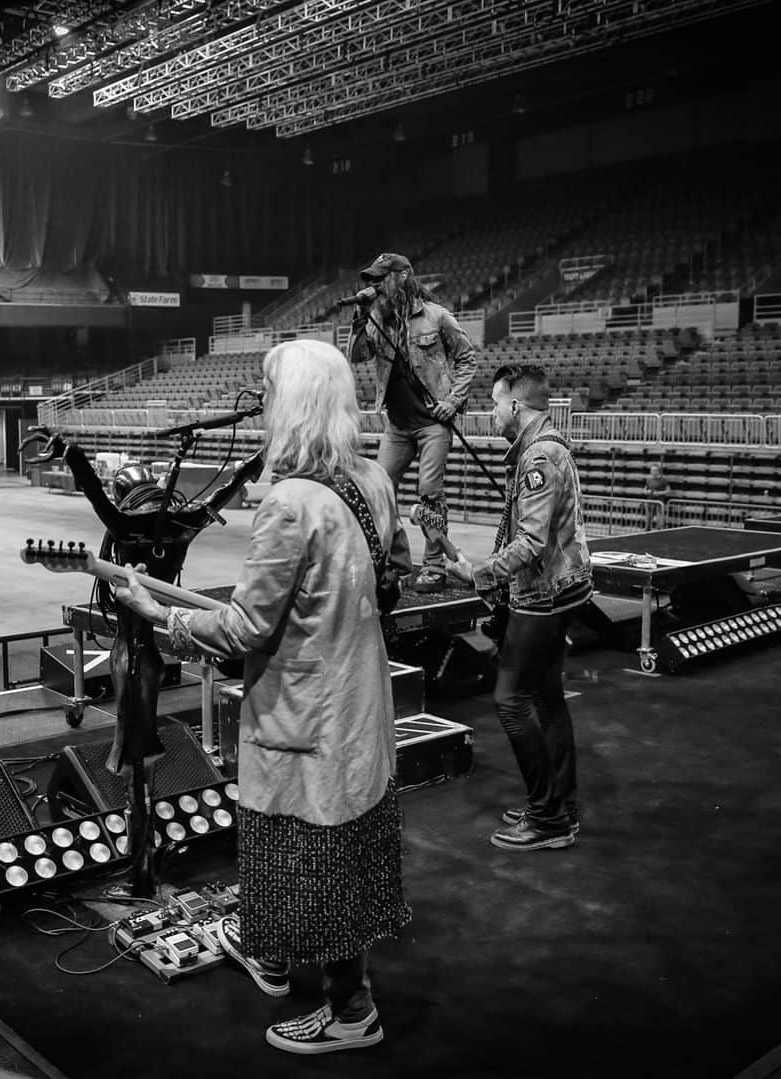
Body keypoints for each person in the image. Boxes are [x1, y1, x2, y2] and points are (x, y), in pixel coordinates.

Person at [114, 339, 413, 1055]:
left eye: (273, 391)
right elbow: (396, 568)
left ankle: (351, 1013)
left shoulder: (288, 503)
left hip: (305, 710)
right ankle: (274, 956)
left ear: (294, 404)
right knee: (338, 848)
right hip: (357, 701)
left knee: (308, 852)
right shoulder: (371, 480)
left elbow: (247, 626)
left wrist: (162, 618)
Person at [447, 364, 592, 852]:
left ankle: (547, 816)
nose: (491, 412)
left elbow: (529, 541)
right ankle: (560, 806)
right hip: (559, 591)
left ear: (514, 405)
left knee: (510, 700)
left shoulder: (539, 457)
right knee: (546, 698)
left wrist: (479, 574)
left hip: (543, 597)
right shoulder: (542, 450)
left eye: (493, 402)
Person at [347, 252, 477, 591]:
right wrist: (360, 316)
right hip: (398, 425)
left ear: (402, 276)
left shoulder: (436, 317)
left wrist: (453, 401)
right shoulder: (377, 318)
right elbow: (357, 356)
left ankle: (435, 566)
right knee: (378, 488)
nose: (374, 284)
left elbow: (467, 358)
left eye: (380, 277)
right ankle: (394, 561)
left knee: (429, 492)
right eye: (371, 279)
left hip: (432, 422)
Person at [643, 463, 672, 529]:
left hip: (659, 502)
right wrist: (647, 492)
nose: (653, 472)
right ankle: (647, 530)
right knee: (648, 518)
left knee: (659, 519)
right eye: (652, 470)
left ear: (658, 471)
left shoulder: (663, 480)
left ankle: (659, 531)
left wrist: (659, 493)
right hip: (649, 502)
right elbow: (644, 490)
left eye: (655, 470)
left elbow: (668, 491)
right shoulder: (648, 480)